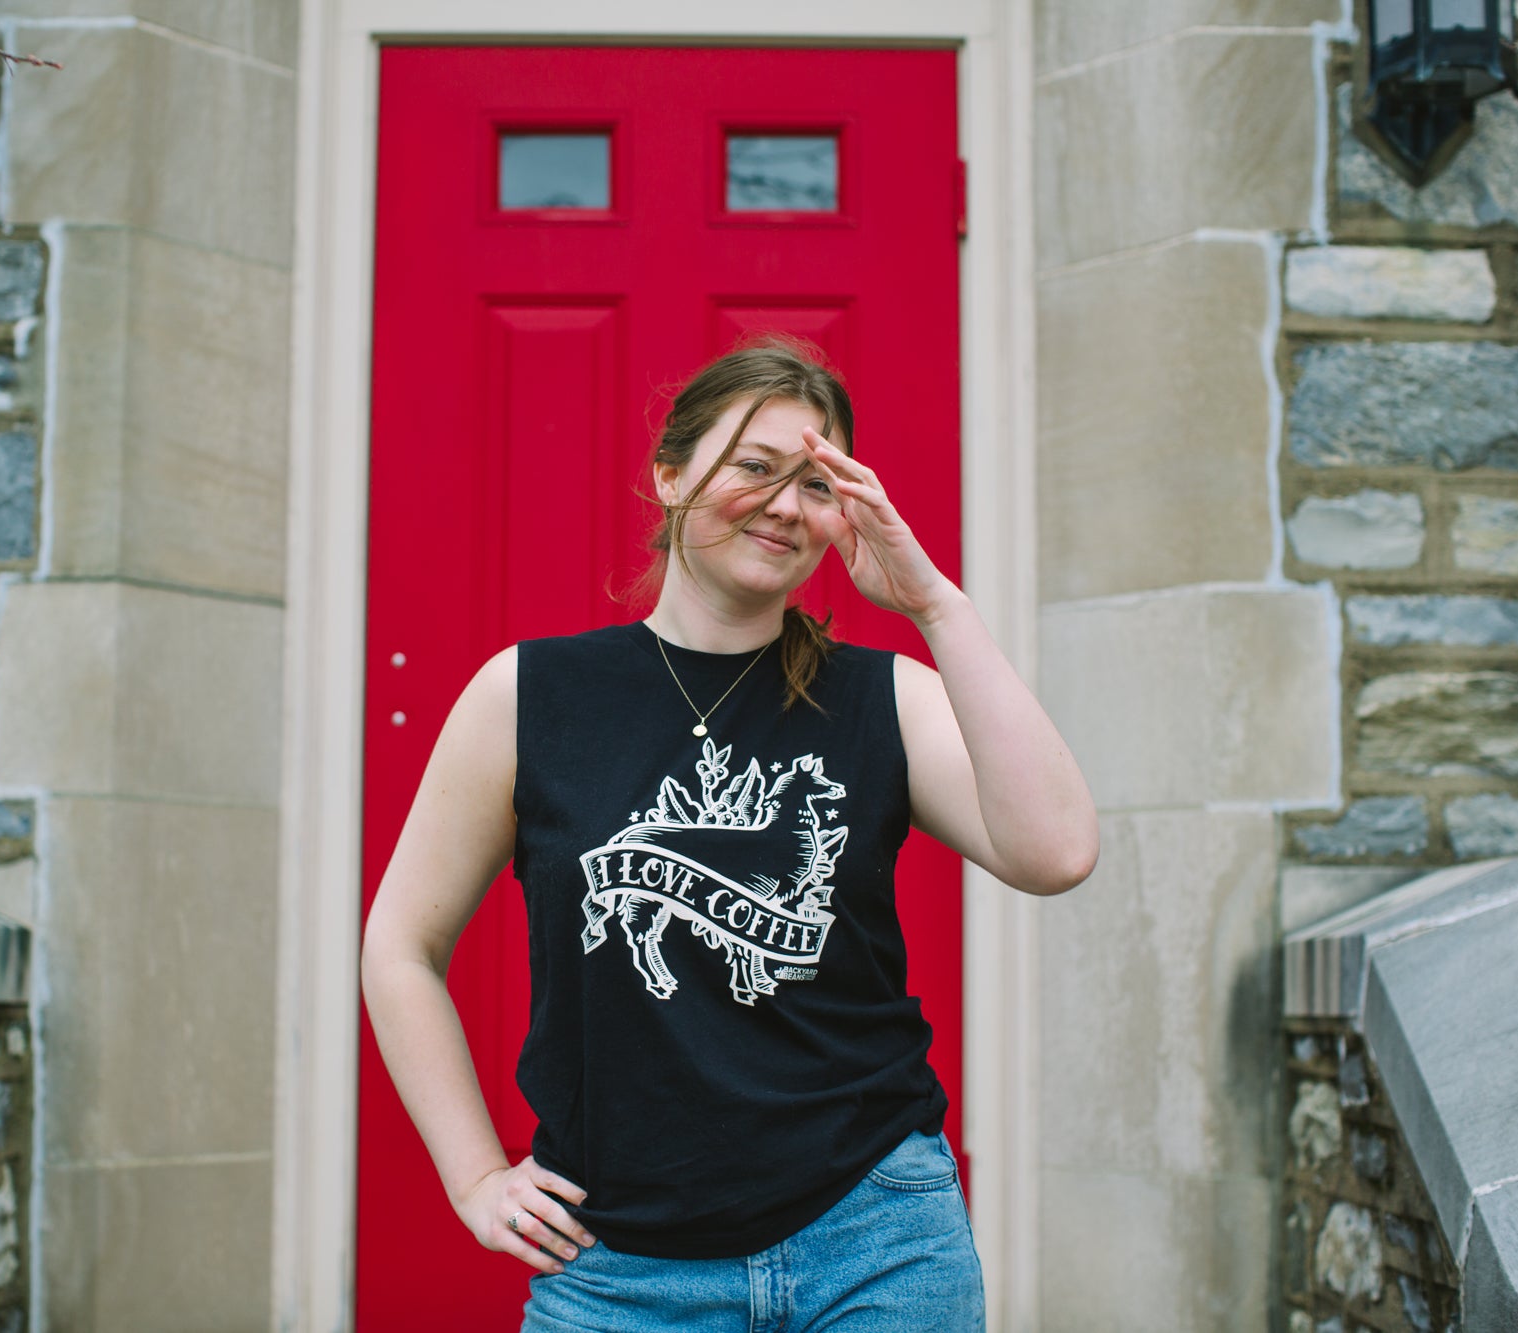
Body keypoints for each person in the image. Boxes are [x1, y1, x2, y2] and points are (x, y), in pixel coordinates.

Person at [360, 339, 1098, 1331]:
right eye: (754, 466)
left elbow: (1054, 851)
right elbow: (399, 945)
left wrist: (934, 604)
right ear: (670, 475)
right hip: (619, 1263)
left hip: (873, 1240)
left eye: (817, 482)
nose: (785, 504)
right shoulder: (528, 694)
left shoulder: (884, 697)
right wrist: (474, 1176)